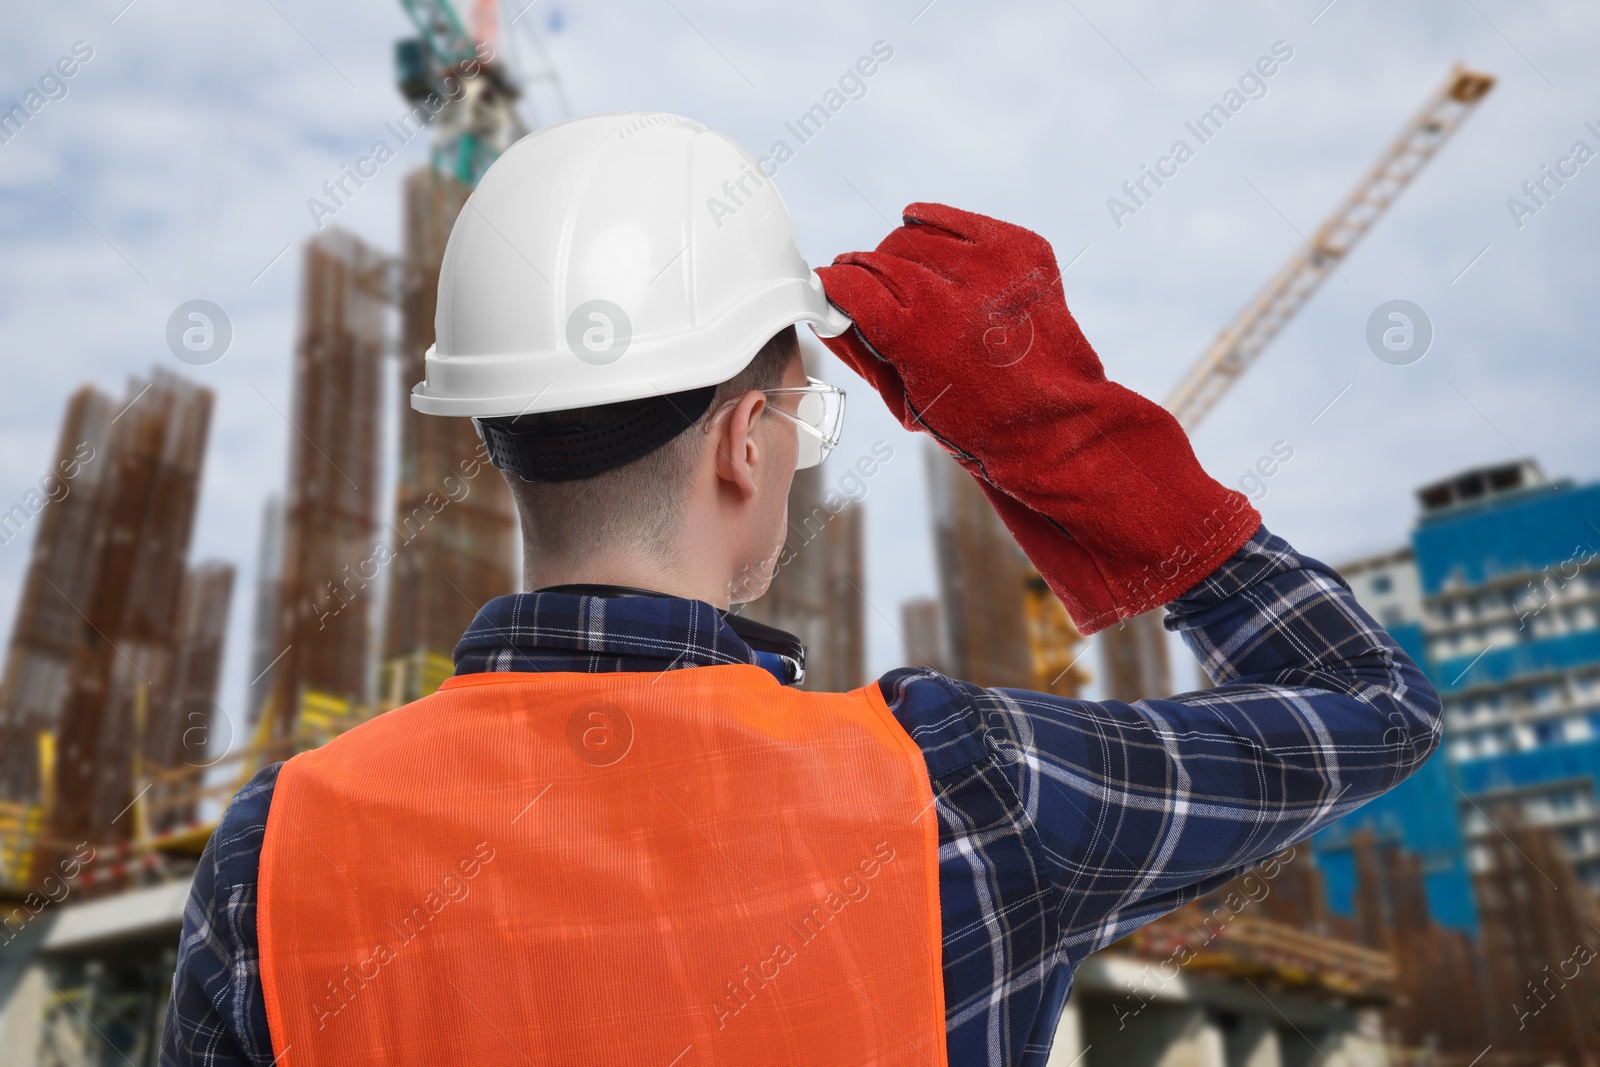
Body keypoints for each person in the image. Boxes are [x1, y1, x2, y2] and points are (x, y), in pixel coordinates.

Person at [161, 113, 1440, 1067]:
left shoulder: (278, 849)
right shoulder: (963, 785)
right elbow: (1368, 701)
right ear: (745, 439)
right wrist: (1063, 440)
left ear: (497, 436)